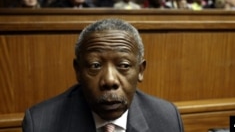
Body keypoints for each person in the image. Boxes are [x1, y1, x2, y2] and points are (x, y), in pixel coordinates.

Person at [22, 18, 184, 132]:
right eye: (95, 66)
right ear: (78, 71)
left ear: (140, 71)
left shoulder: (166, 117)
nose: (109, 80)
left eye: (124, 66)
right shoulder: (40, 123)